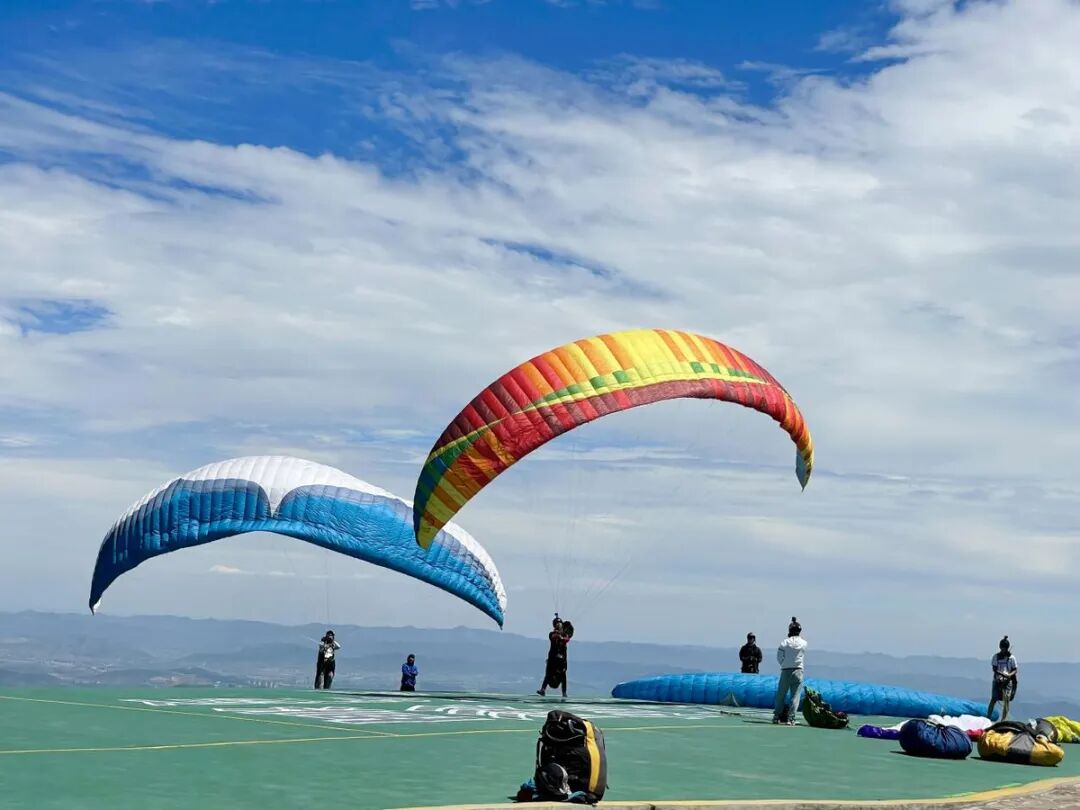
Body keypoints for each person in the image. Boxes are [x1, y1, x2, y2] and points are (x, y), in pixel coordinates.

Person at [773, 617, 807, 725]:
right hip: (798, 670)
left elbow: (779, 657)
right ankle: (791, 718)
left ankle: (776, 716)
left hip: (786, 670)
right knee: (795, 696)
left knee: (781, 694)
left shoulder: (784, 642)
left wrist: (784, 664)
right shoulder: (804, 643)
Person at [537, 616, 573, 698]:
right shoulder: (552, 634)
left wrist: (562, 635)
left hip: (562, 660)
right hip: (552, 659)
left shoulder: (565, 635)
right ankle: (543, 689)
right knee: (548, 674)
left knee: (563, 675)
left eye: (559, 624)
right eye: (557, 624)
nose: (558, 625)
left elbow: (566, 639)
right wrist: (558, 634)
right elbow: (554, 637)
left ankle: (564, 693)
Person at [988, 635, 1018, 720]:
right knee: (994, 699)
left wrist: (1009, 675)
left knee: (1007, 701)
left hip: (1008, 681)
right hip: (998, 681)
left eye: (1005, 649)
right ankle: (988, 717)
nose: (1003, 650)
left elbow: (1015, 669)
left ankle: (1003, 720)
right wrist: (1001, 674)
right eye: (1002, 648)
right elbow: (994, 669)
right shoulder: (996, 657)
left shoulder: (1011, 658)